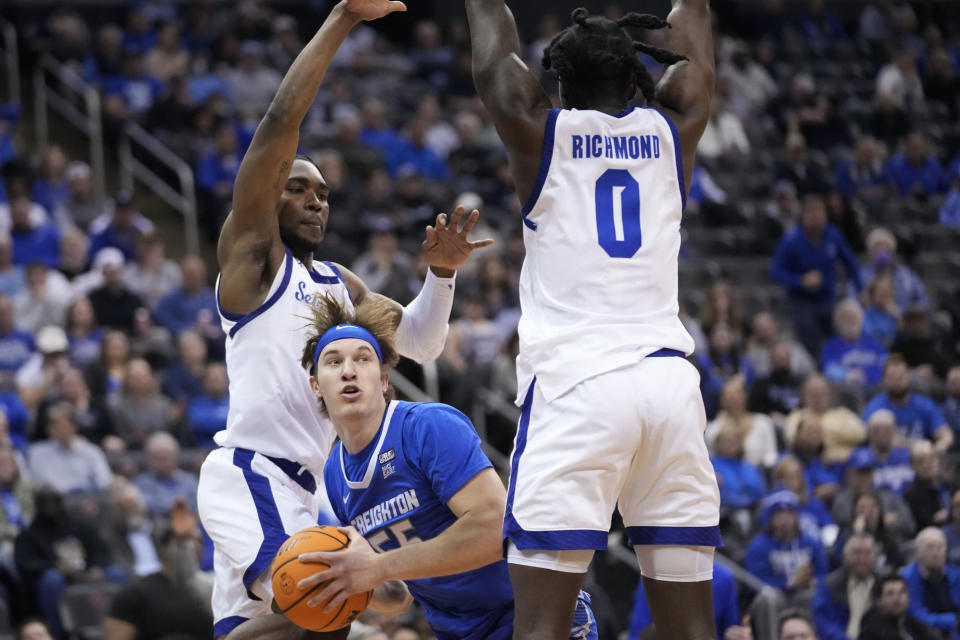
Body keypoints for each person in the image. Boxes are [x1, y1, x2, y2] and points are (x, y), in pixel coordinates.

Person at [196, 2, 493, 638]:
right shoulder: (251, 264)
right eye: (297, 188)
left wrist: (440, 276)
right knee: (319, 604)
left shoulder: (337, 282)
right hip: (256, 469)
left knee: (371, 607)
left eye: (324, 194)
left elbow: (421, 343)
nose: (314, 200)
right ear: (267, 195)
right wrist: (344, 19)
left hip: (326, 486)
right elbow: (280, 122)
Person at [465, 1, 721, 637]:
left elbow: (495, 60)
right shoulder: (675, 126)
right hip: (669, 387)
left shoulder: (539, 130)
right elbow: (696, 50)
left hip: (579, 387)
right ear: (639, 75)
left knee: (542, 627)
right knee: (691, 628)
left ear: (559, 82)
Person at [294, 294, 597, 640]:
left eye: (362, 359)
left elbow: (491, 530)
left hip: (530, 615)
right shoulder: (335, 473)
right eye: (333, 362)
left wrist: (378, 567)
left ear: (383, 380)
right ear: (316, 386)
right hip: (456, 631)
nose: (348, 370)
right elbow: (398, 597)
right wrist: (342, 580)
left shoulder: (427, 427)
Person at [103, 499, 214, 640]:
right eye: (181, 542)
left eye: (196, 541)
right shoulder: (135, 594)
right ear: (163, 548)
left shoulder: (212, 591)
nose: (190, 548)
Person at [863, 355, 953, 453]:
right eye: (892, 377)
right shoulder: (875, 407)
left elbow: (946, 435)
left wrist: (936, 450)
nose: (897, 381)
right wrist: (917, 445)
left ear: (908, 377)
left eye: (900, 377)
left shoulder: (924, 404)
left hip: (922, 459)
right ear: (884, 381)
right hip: (887, 462)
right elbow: (874, 438)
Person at [811, 533, 878, 640]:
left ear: (875, 556)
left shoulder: (884, 584)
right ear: (844, 555)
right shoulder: (828, 585)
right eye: (856, 553)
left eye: (867, 553)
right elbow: (824, 622)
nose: (861, 559)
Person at [900, 527, 960, 638]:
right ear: (918, 551)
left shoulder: (956, 574)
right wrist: (954, 619)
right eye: (929, 547)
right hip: (921, 632)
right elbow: (916, 615)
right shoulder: (906, 578)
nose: (935, 553)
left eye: (940, 547)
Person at [857, 574, 940, 640]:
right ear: (879, 600)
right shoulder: (871, 626)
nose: (897, 599)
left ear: (909, 597)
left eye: (902, 592)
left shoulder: (912, 624)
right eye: (890, 594)